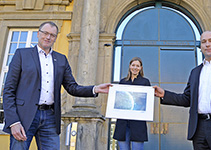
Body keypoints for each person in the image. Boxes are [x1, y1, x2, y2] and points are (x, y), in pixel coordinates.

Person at [3, 21, 111, 150]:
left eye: (52, 35)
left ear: (55, 38)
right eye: (45, 33)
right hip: (24, 116)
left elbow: (72, 87)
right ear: (38, 34)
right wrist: (13, 121)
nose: (48, 37)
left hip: (50, 117)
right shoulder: (22, 54)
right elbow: (8, 90)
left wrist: (95, 89)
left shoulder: (61, 59)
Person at [113, 57, 150, 150]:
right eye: (133, 65)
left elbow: (147, 101)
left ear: (141, 68)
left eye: (137, 66)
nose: (135, 68)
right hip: (123, 123)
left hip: (138, 123)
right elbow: (119, 100)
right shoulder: (122, 82)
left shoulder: (145, 82)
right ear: (129, 66)